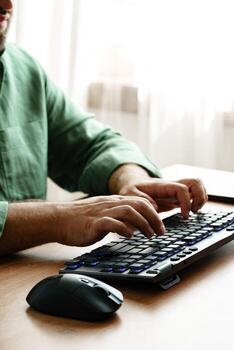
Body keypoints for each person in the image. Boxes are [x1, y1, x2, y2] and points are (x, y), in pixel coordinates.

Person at [0, 0, 207, 256]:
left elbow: (92, 144)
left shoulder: (23, 68)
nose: (7, 4)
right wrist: (60, 218)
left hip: (22, 277)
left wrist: (131, 180)